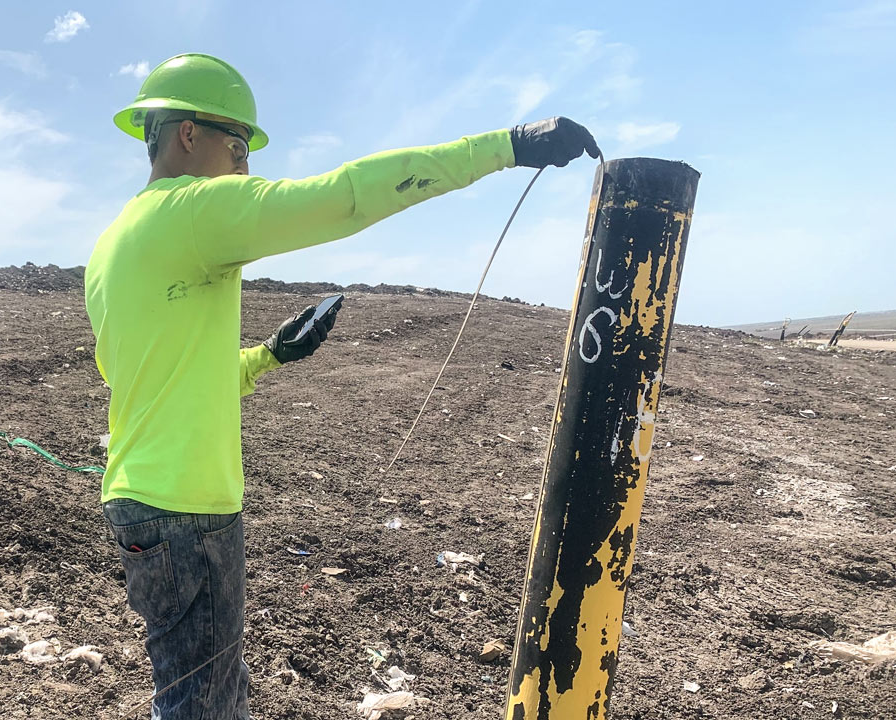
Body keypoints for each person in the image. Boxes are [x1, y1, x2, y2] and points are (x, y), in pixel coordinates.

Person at [84, 52, 599, 719]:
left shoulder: (111, 244)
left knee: (206, 691)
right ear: (190, 134)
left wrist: (269, 356)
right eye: (239, 146)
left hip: (142, 503)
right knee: (200, 706)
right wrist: (505, 146)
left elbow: (159, 381)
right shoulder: (194, 211)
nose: (246, 166)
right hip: (187, 512)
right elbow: (350, 195)